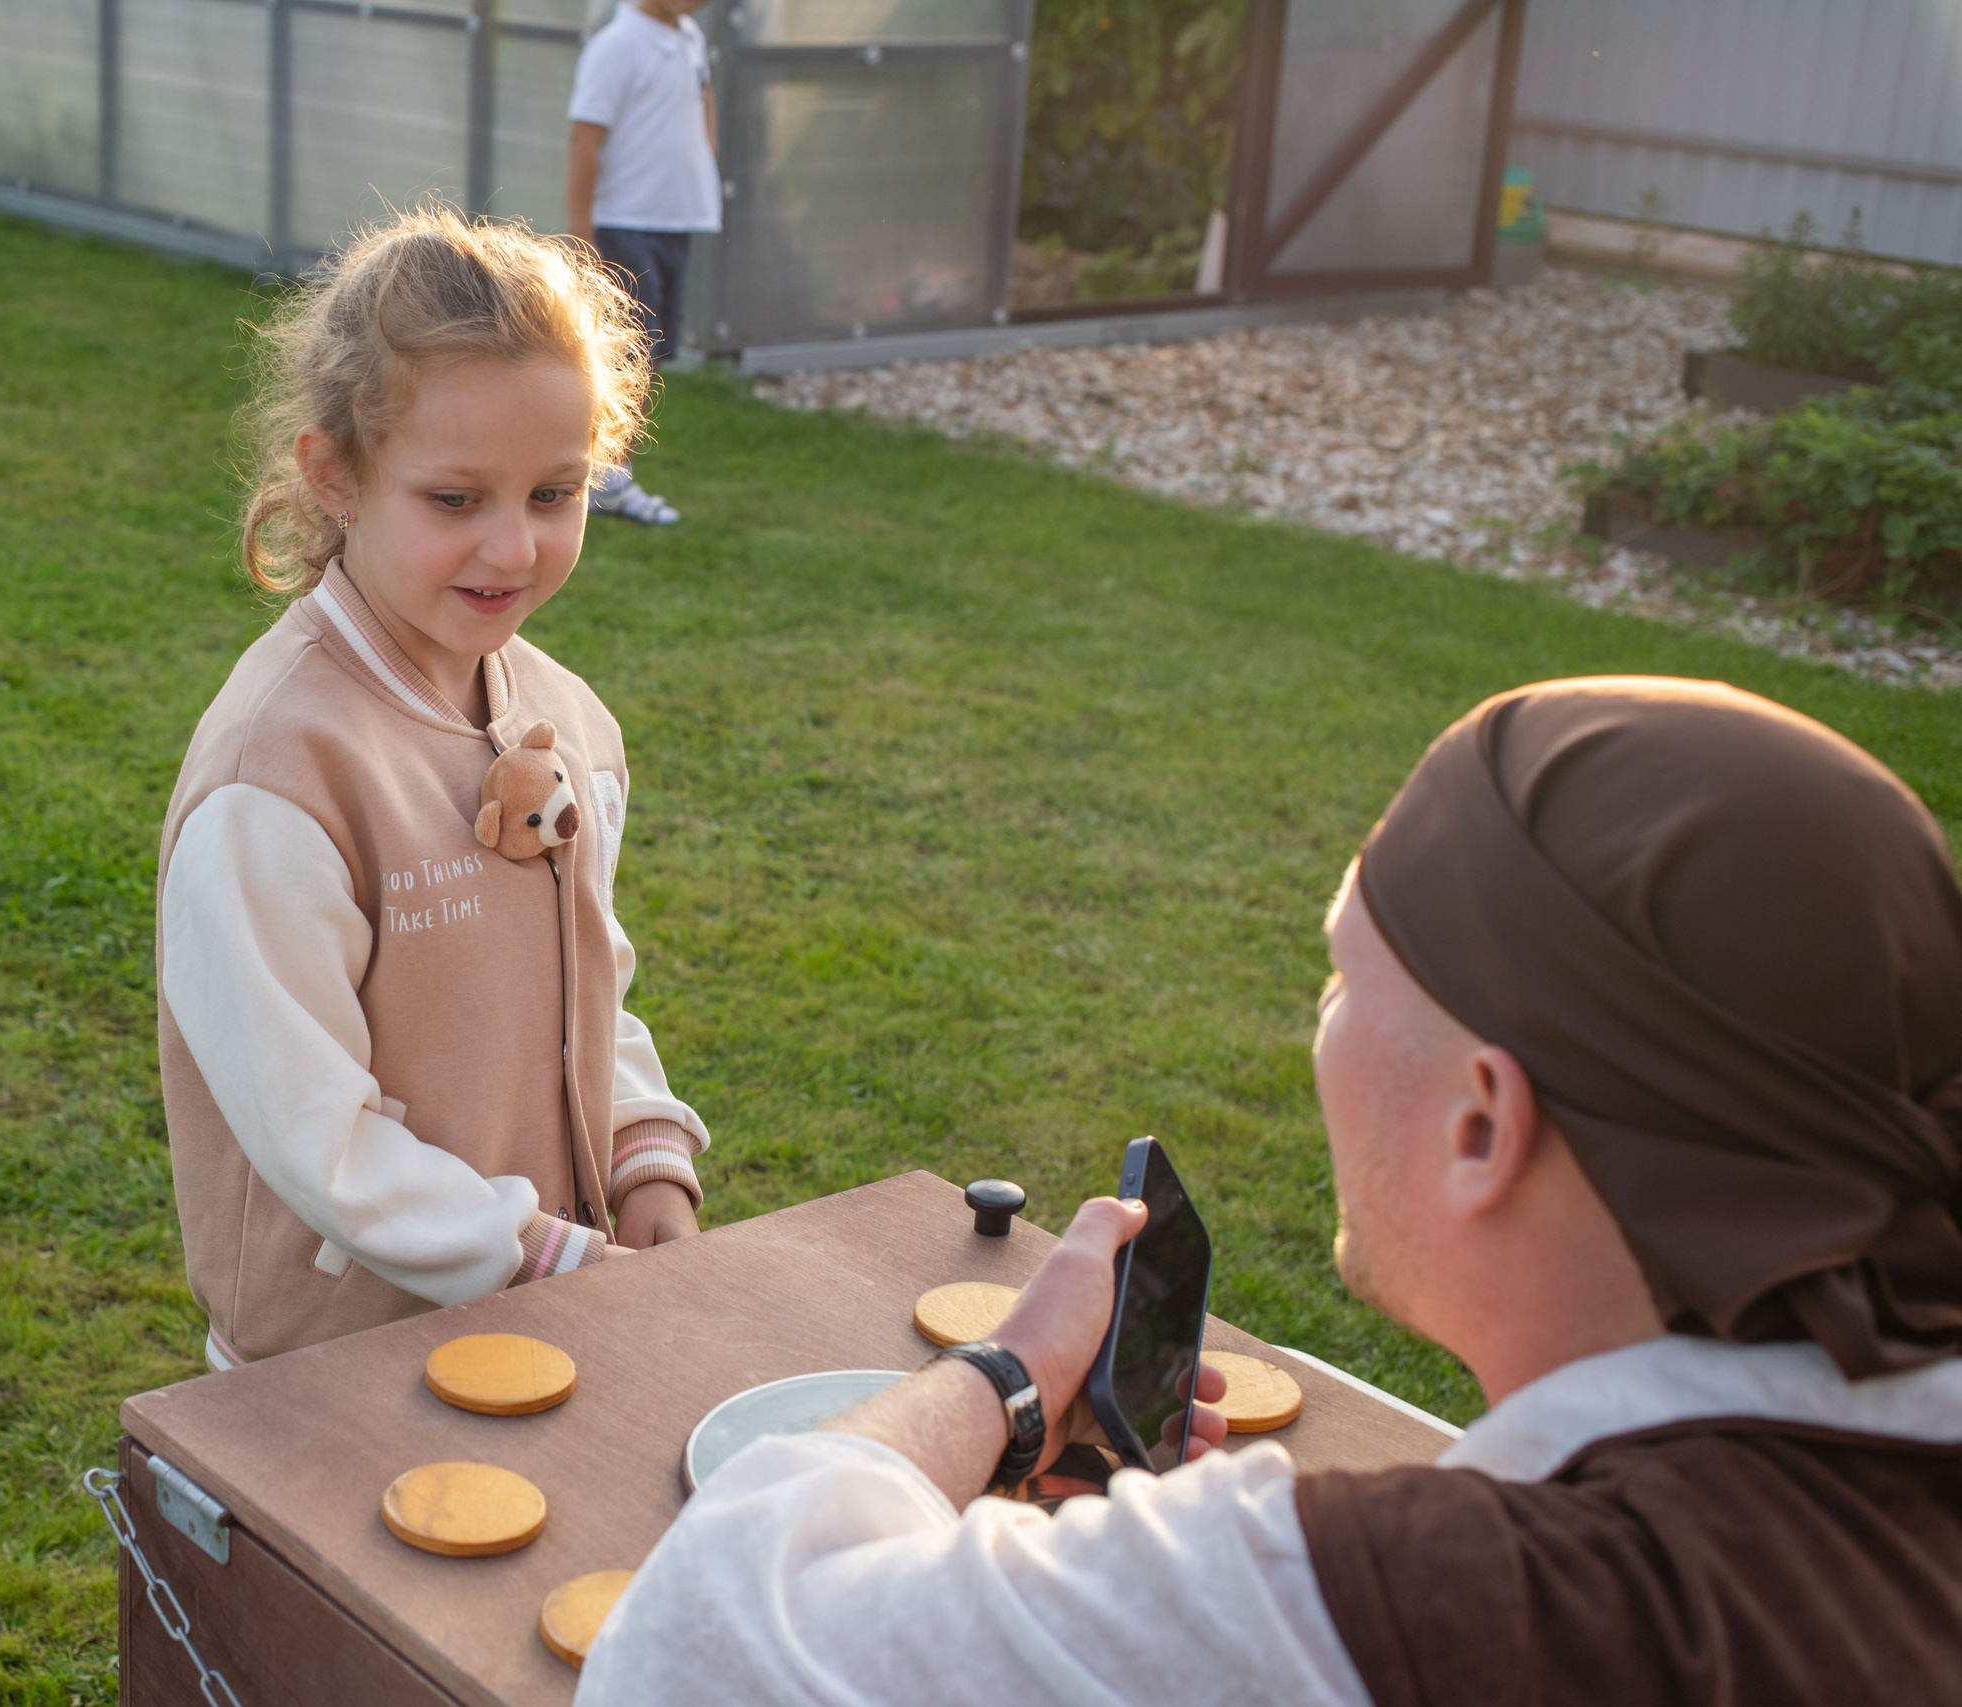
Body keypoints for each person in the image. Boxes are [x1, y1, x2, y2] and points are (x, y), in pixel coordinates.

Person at [581, 676, 1962, 1706]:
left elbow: (695, 1647)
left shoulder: (1405, 1601)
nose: (1321, 1021)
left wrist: (1012, 1375)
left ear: (1483, 1123)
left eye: (1345, 976)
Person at [154, 207, 711, 1370]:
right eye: (456, 500)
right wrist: (542, 1255)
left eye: (554, 495)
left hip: (544, 1315)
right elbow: (320, 1142)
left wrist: (642, 1152)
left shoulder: (570, 721)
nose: (512, 550)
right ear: (336, 477)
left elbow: (584, 985)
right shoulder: (278, 780)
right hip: (336, 1371)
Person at [565, 0, 720, 528]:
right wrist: (581, 241)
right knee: (623, 357)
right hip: (623, 225)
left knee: (648, 357)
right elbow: (584, 142)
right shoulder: (616, 47)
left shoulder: (691, 37)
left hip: (675, 223)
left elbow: (703, 101)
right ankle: (605, 478)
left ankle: (603, 474)